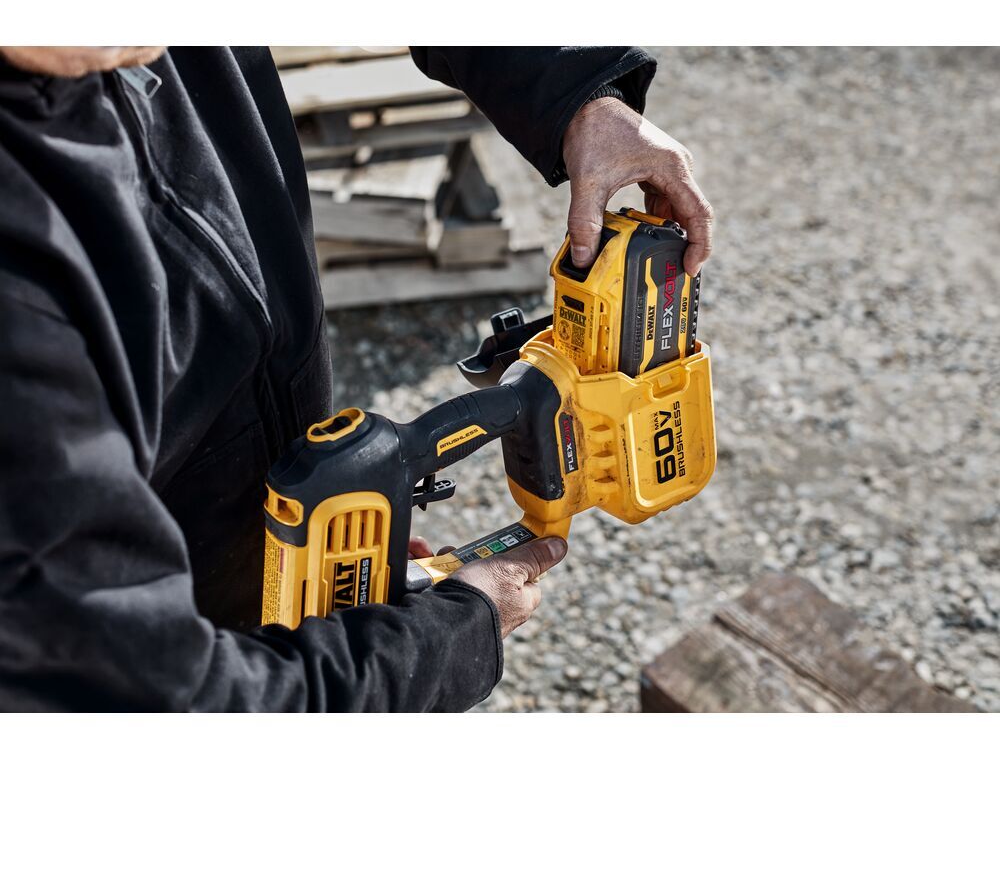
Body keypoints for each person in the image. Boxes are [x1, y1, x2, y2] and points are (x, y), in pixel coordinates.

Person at [0, 46, 714, 711]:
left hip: (269, 511)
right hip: (184, 598)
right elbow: (156, 703)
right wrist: (443, 641)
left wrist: (579, 94)